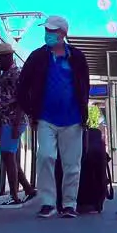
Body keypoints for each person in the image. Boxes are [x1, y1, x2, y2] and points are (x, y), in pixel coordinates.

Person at [18, 15, 90, 219]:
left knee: (71, 164)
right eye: (46, 31)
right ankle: (48, 202)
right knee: (46, 156)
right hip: (45, 118)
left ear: (63, 34)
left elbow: (85, 85)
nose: (48, 34)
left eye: (52, 31)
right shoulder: (37, 57)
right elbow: (22, 86)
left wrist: (83, 109)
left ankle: (69, 204)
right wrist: (31, 111)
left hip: (73, 119)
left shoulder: (77, 57)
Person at [0, 42, 37, 207]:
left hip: (12, 121)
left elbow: (20, 100)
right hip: (8, 120)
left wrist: (17, 124)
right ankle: (28, 189)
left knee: (8, 157)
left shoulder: (14, 74)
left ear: (8, 57)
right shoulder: (9, 73)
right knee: (8, 156)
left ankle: (14, 196)